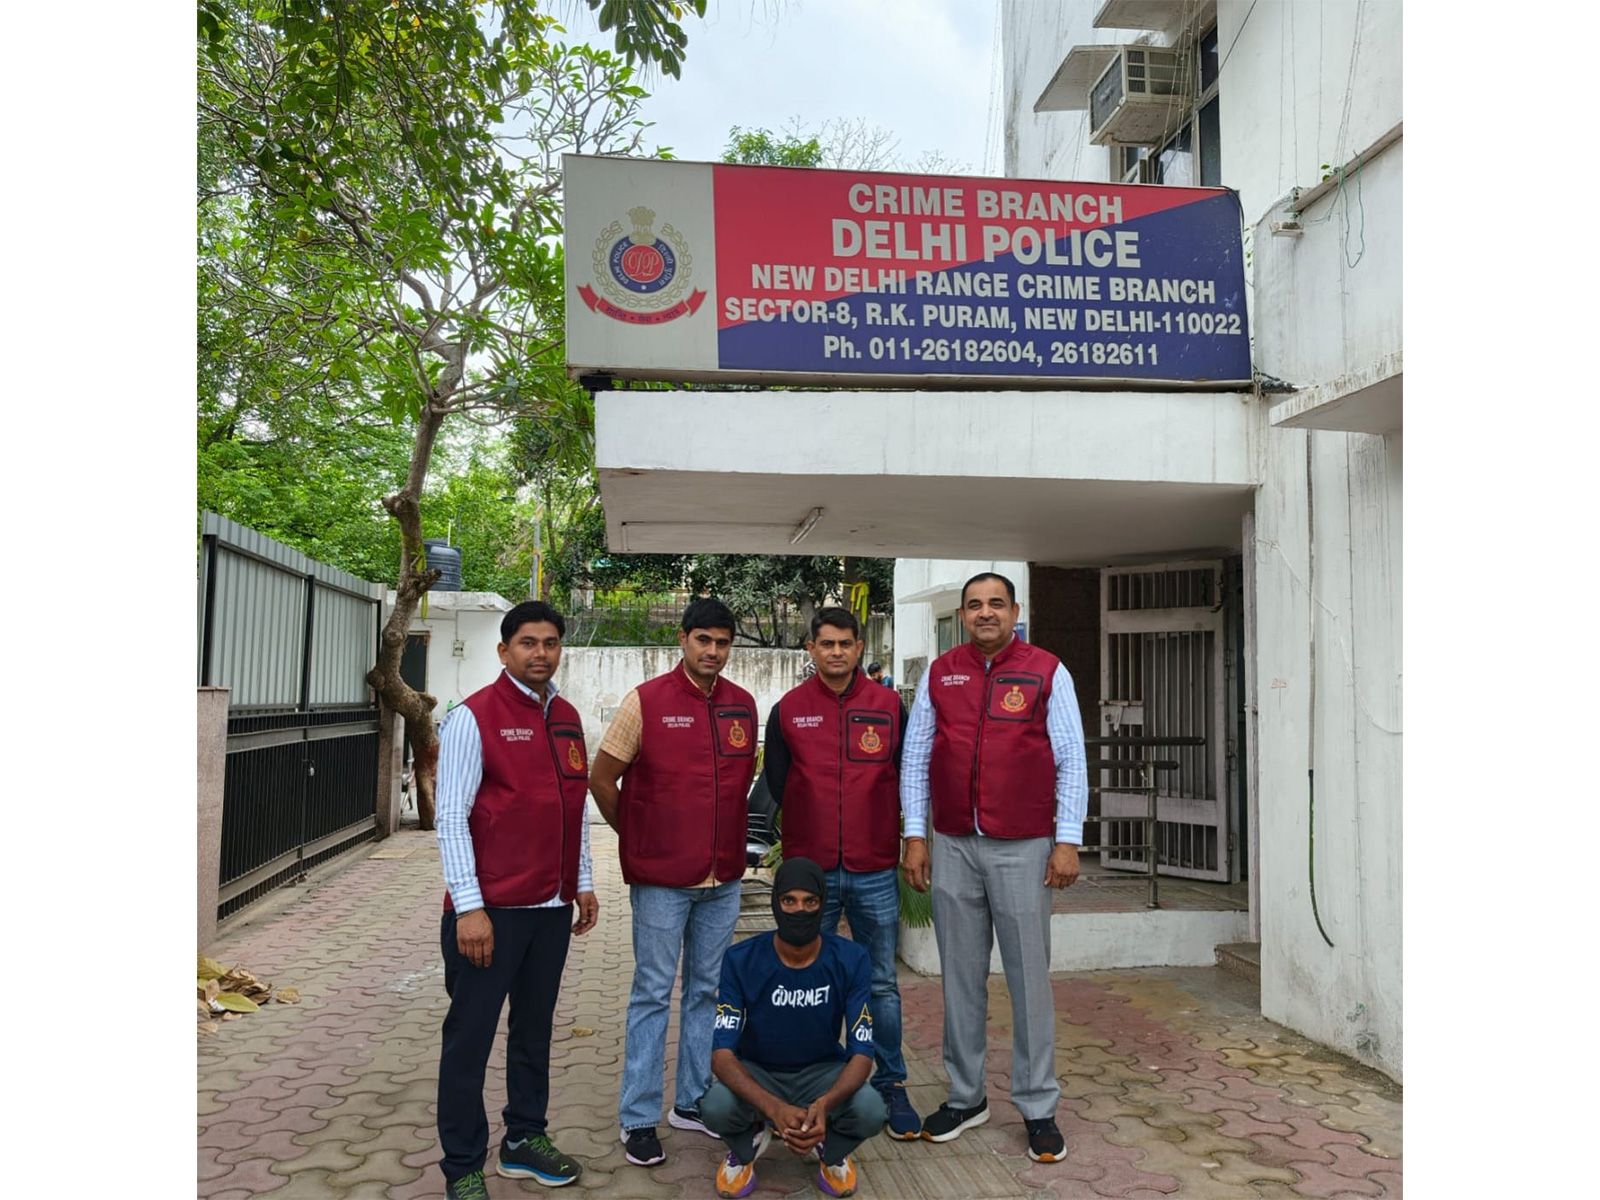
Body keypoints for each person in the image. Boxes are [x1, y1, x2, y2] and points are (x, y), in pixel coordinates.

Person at [899, 572, 1087, 1163]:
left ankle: (1037, 1105)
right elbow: (916, 758)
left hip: (1024, 846)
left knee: (1030, 979)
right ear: (962, 613)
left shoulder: (1047, 670)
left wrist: (1068, 840)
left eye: (996, 604)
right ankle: (966, 1095)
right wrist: (914, 835)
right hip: (953, 843)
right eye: (975, 605)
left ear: (1015, 611)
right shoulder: (940, 672)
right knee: (959, 976)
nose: (986, 614)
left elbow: (1071, 759)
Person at [433, 601, 599, 1198]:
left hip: (549, 911)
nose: (541, 653)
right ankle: (462, 1166)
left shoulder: (568, 717)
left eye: (551, 643)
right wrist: (470, 908)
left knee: (534, 1032)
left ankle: (525, 1139)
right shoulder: (471, 717)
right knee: (470, 1040)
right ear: (504, 651)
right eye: (528, 643)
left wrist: (581, 880)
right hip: (490, 914)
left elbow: (574, 808)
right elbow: (450, 818)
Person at [589, 597, 760, 1167]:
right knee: (652, 994)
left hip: (723, 878)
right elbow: (602, 776)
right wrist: (638, 836)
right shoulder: (647, 701)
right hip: (661, 880)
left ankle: (691, 1101)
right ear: (683, 640)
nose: (713, 651)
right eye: (703, 640)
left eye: (722, 642)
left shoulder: (743, 705)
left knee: (707, 992)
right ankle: (638, 1116)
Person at [762, 607, 920, 1139]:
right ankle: (814, 1082)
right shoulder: (787, 710)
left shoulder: (889, 706)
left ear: (858, 647)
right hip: (812, 876)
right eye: (825, 643)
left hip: (875, 867)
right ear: (810, 648)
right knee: (807, 980)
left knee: (881, 984)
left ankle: (890, 1083)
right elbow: (781, 785)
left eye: (845, 644)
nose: (835, 652)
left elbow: (905, 775)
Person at [701, 857, 889, 1199]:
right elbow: (721, 1055)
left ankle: (829, 1146)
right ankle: (748, 1144)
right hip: (760, 1072)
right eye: (789, 900)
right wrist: (773, 1108)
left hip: (822, 1073)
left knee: (871, 1110)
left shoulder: (852, 958)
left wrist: (826, 1104)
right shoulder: (740, 958)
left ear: (822, 905)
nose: (798, 911)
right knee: (714, 1106)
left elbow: (862, 1053)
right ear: (775, 903)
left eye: (810, 902)